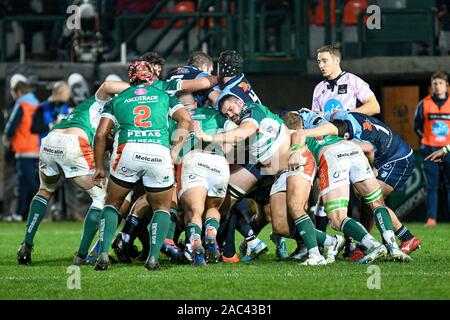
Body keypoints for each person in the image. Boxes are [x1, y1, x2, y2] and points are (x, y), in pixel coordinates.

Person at [92, 59, 192, 271]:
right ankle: (153, 258)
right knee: (162, 207)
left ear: (131, 78)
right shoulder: (166, 96)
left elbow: (100, 135)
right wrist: (176, 148)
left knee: (112, 204)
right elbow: (186, 120)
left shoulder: (118, 99)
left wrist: (100, 167)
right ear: (151, 77)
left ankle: (102, 254)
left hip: (127, 152)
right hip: (158, 152)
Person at [15, 79, 129, 265]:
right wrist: (141, 89)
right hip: (74, 142)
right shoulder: (113, 108)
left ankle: (26, 244)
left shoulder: (91, 103)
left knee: (45, 191)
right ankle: (81, 256)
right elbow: (108, 86)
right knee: (102, 198)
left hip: (51, 140)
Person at [291, 113, 412, 264]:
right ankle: (393, 247)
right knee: (377, 203)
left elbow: (298, 137)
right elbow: (368, 148)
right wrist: (372, 167)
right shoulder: (325, 126)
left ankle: (373, 245)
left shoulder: (296, 134)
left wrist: (294, 150)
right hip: (354, 150)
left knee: (337, 218)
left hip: (332, 157)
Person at [414, 71, 450, 227]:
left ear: (447, 85)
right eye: (435, 83)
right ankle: (431, 219)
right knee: (431, 186)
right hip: (429, 149)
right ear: (431, 86)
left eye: (440, 83)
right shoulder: (424, 103)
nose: (437, 86)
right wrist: (428, 141)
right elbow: (417, 127)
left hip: (448, 150)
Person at [3, 79, 40, 223]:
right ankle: (19, 214)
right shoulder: (36, 104)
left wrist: (7, 138)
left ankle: (43, 210)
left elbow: (11, 127)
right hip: (35, 148)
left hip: (23, 150)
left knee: (30, 183)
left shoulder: (21, 105)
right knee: (23, 183)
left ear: (17, 92)